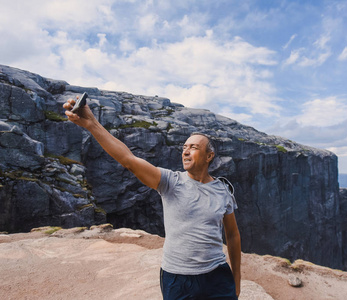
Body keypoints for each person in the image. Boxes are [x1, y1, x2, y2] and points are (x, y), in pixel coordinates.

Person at [63, 98, 241, 299]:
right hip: (178, 278)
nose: (185, 151)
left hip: (217, 276)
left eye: (193, 147)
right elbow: (128, 160)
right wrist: (91, 124)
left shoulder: (223, 190)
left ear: (209, 156)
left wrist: (236, 279)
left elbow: (233, 235)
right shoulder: (170, 182)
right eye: (184, 147)